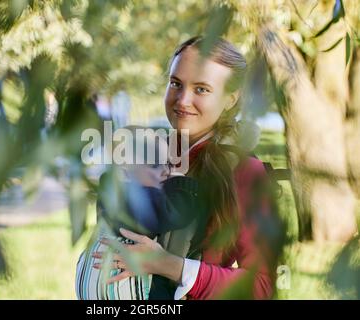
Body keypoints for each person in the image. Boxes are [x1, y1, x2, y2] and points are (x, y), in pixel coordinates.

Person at [93, 37, 279, 300]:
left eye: (201, 89)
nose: (182, 100)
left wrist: (169, 266)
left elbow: (263, 285)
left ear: (230, 99)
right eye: (175, 84)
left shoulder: (245, 171)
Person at [75, 127, 205, 300]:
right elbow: (175, 212)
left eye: (168, 164)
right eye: (156, 165)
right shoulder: (132, 198)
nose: (167, 171)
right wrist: (185, 185)